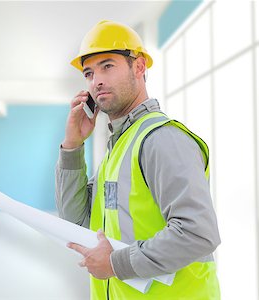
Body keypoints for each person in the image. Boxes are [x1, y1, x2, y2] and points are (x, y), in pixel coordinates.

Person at [55, 20, 221, 299]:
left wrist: (114, 263)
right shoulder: (119, 147)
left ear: (139, 67)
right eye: (88, 73)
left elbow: (198, 233)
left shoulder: (161, 139)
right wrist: (72, 145)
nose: (97, 81)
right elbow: (76, 221)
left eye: (107, 66)